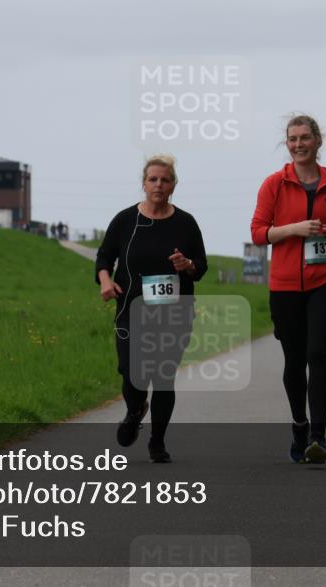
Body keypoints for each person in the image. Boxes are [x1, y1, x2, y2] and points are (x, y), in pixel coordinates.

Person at [250, 114, 326, 464]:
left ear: (317, 141)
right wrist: (294, 228)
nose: (298, 144)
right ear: (287, 144)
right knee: (295, 360)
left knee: (317, 353)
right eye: (292, 139)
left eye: (304, 138)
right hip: (284, 285)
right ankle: (299, 425)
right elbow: (258, 233)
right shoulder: (274, 184)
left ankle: (318, 437)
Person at [96, 155, 207, 463]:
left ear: (174, 185)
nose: (159, 185)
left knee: (163, 376)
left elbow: (201, 266)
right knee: (132, 373)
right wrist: (106, 281)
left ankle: (157, 442)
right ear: (143, 183)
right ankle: (134, 410)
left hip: (174, 312)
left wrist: (188, 265)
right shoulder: (125, 220)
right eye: (153, 179)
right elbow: (104, 257)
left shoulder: (186, 223)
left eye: (165, 180)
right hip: (131, 310)